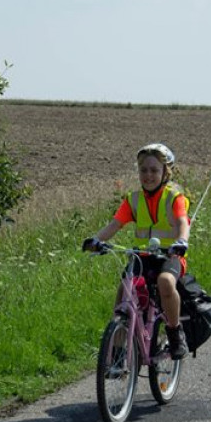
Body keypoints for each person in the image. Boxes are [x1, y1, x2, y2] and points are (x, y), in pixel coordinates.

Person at [82, 143, 191, 359]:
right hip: (141, 257)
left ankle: (175, 332)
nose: (148, 175)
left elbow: (182, 223)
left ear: (165, 173)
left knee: (166, 283)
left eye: (154, 170)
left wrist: (181, 242)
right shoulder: (133, 199)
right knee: (125, 291)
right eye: (144, 170)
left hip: (170, 255)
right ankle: (118, 351)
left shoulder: (173, 197)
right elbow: (114, 225)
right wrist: (96, 240)